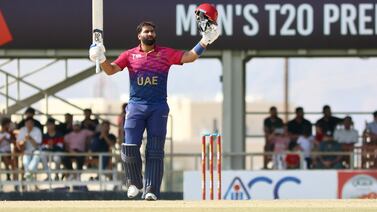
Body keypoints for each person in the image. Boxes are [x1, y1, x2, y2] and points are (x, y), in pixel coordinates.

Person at [89, 6, 220, 200]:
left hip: (158, 107)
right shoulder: (129, 55)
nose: (150, 33)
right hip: (135, 106)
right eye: (146, 31)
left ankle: (151, 190)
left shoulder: (165, 53)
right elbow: (110, 70)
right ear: (139, 36)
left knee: (155, 150)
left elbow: (190, 57)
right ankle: (134, 182)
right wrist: (99, 58)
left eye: (152, 31)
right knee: (129, 146)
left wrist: (205, 40)